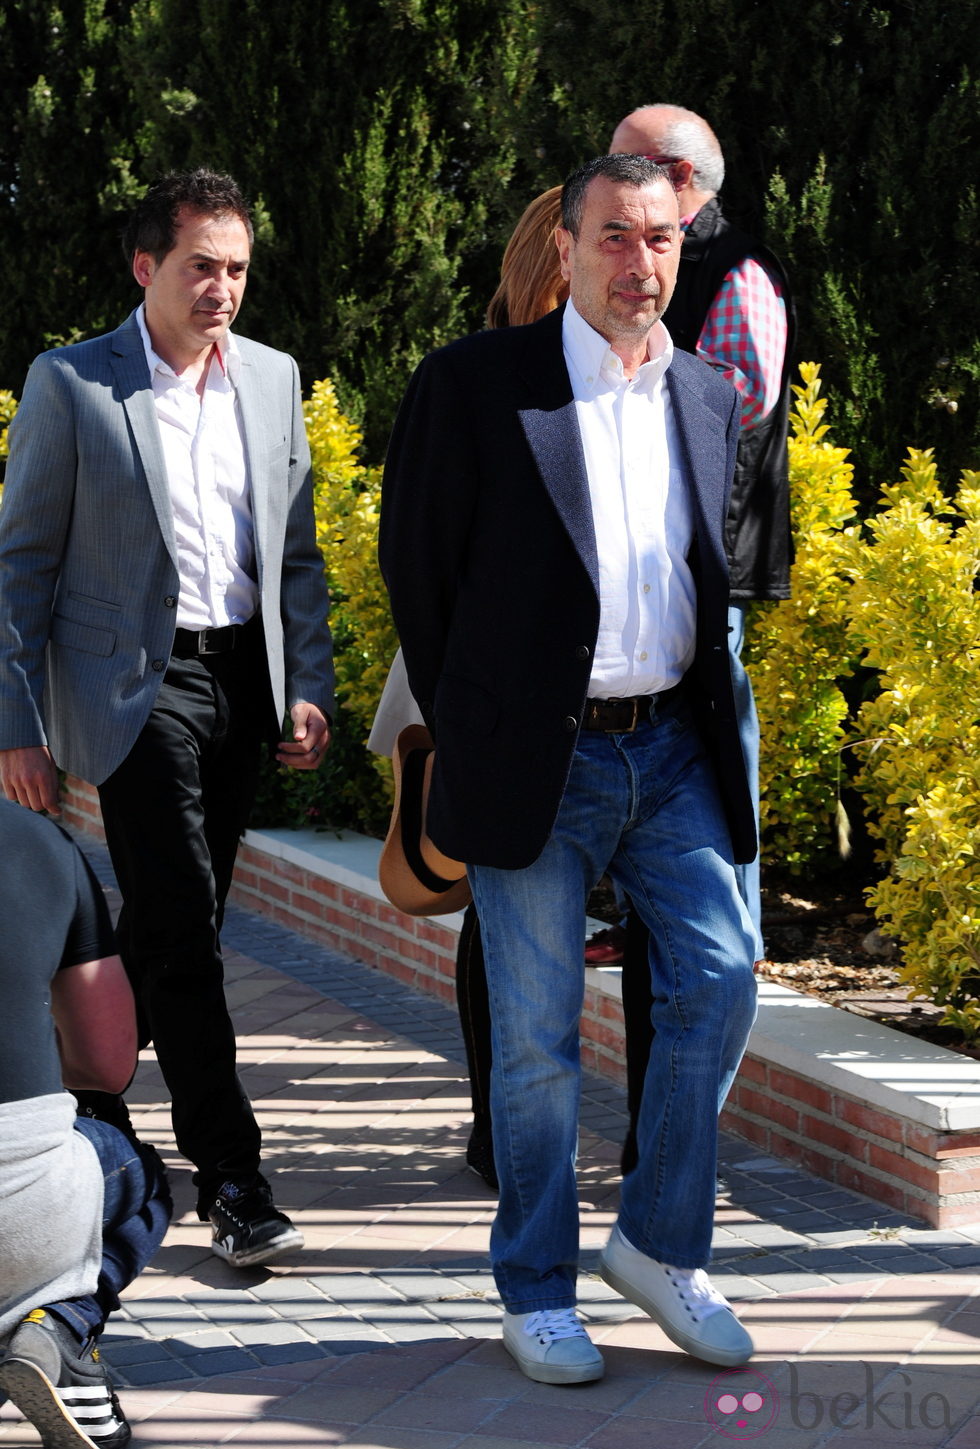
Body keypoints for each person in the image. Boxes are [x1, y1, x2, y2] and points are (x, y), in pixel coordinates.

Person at [380, 154, 758, 1386]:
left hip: (672, 748)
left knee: (717, 977)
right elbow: (418, 572)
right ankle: (535, 1287)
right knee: (537, 1040)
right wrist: (480, 724)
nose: (636, 263)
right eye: (611, 237)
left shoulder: (706, 397)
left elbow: (718, 575)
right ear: (567, 248)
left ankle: (655, 1242)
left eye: (658, 240)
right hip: (538, 758)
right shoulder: (479, 386)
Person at [0, 169, 334, 1270]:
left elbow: (292, 553)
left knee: (170, 922)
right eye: (201, 265)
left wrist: (306, 682)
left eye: (237, 268)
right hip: (131, 692)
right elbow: (20, 571)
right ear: (147, 267)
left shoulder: (274, 381)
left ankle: (83, 1097)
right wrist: (15, 727)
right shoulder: (74, 385)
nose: (222, 288)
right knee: (185, 925)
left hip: (241, 681)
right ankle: (232, 1177)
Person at [610, 104, 795, 956]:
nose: (604, 179)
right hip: (648, 563)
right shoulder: (660, 262)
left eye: (626, 164)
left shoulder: (738, 271)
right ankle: (645, 919)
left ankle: (734, 940)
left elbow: (730, 406)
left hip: (705, 565)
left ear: (681, 180)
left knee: (717, 760)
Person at [0, 799, 171, 1449]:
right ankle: (57, 1324)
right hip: (21, 1205)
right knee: (140, 1175)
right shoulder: (39, 843)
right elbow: (106, 1063)